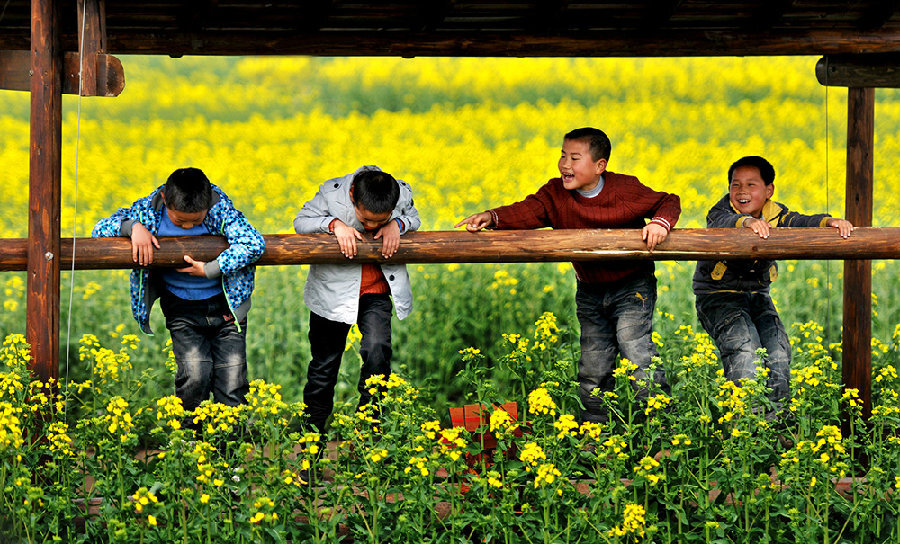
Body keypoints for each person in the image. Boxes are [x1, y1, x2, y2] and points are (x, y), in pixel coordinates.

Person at [455, 127, 681, 423]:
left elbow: (667, 200)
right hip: (590, 290)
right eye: (562, 156)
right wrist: (491, 217)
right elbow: (527, 211)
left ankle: (661, 429)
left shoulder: (623, 190)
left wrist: (660, 224)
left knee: (637, 354)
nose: (565, 164)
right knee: (593, 364)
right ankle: (595, 435)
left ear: (600, 166)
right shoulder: (555, 194)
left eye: (575, 158)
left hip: (632, 286)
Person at [92, 167, 265, 420]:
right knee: (194, 376)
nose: (188, 225)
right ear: (164, 198)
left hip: (226, 308)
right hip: (181, 307)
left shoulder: (220, 210)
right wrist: (134, 228)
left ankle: (229, 450)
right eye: (180, 221)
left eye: (196, 220)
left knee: (233, 381)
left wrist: (210, 269)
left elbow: (254, 243)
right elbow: (100, 230)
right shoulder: (149, 212)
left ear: (208, 203)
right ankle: (189, 443)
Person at [693, 155, 853, 411]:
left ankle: (777, 423)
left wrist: (829, 222)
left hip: (756, 296)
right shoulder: (721, 212)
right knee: (745, 349)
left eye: (751, 185)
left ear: (769, 190)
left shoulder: (776, 214)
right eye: (736, 185)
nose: (742, 191)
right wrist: (748, 222)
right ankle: (746, 425)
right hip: (718, 296)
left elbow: (801, 222)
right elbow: (721, 223)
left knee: (777, 350)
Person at [293, 165, 420, 434]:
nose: (372, 228)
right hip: (332, 294)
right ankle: (311, 441)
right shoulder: (332, 194)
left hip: (376, 292)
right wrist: (333, 224)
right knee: (324, 366)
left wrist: (398, 224)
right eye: (366, 220)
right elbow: (301, 222)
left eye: (380, 221)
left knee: (377, 354)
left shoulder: (399, 195)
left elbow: (414, 219)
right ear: (353, 197)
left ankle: (369, 433)